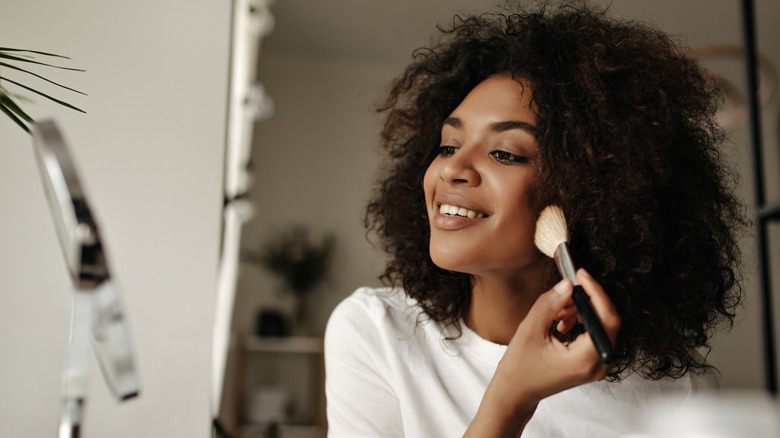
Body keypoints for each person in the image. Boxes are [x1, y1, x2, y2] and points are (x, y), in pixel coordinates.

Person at [324, 1, 747, 437]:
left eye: (505, 153)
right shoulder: (377, 333)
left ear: (593, 194)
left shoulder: (672, 394)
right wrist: (510, 398)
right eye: (449, 146)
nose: (452, 168)